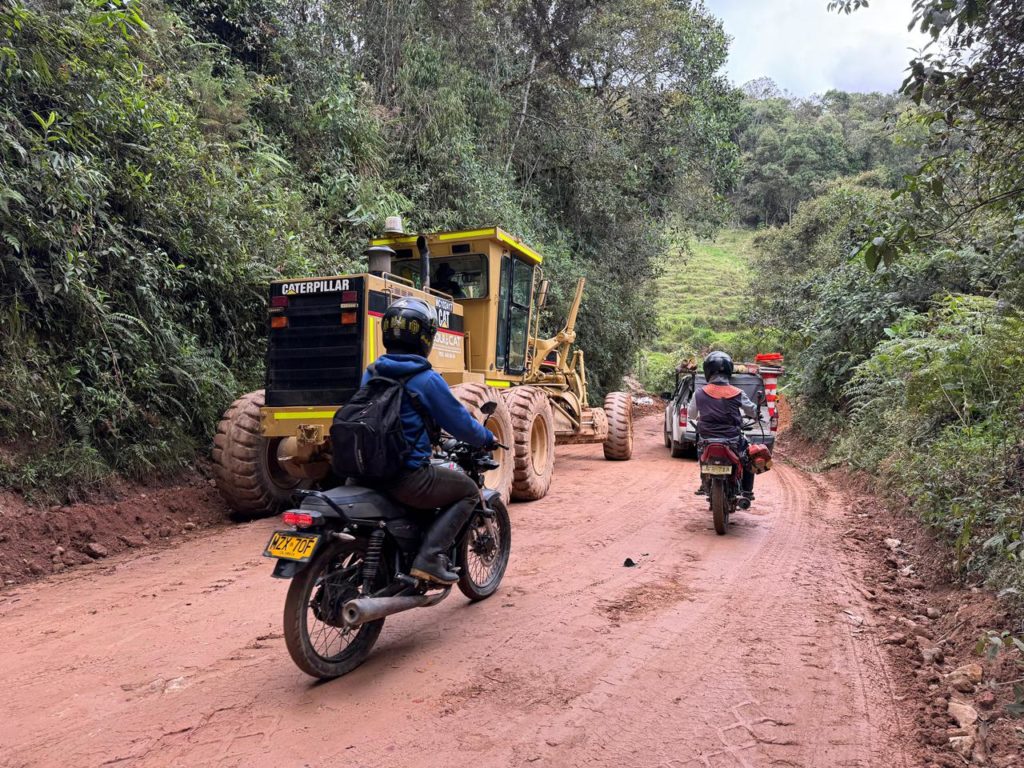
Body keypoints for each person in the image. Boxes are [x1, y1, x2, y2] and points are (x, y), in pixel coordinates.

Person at [364, 296, 497, 584]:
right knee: (468, 492)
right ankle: (430, 557)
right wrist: (487, 438)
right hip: (407, 476)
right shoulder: (426, 379)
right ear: (426, 337)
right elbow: (460, 424)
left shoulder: (371, 372)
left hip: (365, 472)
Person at [693, 351, 760, 500]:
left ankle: (704, 481)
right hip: (732, 438)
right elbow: (751, 410)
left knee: (701, 452)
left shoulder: (698, 393)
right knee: (748, 456)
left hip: (707, 437)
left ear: (707, 371)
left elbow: (691, 415)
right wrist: (756, 414)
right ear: (729, 370)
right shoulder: (737, 392)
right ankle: (747, 491)